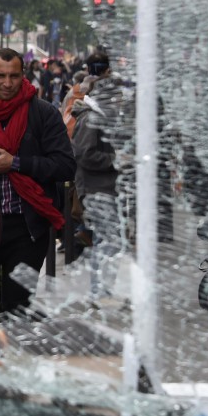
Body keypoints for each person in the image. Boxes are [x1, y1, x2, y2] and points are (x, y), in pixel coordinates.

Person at [0, 48, 76, 319]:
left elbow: (66, 166)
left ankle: (11, 356)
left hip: (26, 228)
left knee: (17, 304)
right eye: (0, 75)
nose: (7, 83)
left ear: (23, 75)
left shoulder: (43, 113)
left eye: (13, 76)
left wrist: (17, 163)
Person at [70, 51, 125, 297]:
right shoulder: (91, 119)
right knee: (108, 240)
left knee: (109, 240)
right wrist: (116, 160)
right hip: (95, 188)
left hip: (102, 186)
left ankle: (102, 290)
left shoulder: (100, 117)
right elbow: (84, 153)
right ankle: (99, 292)